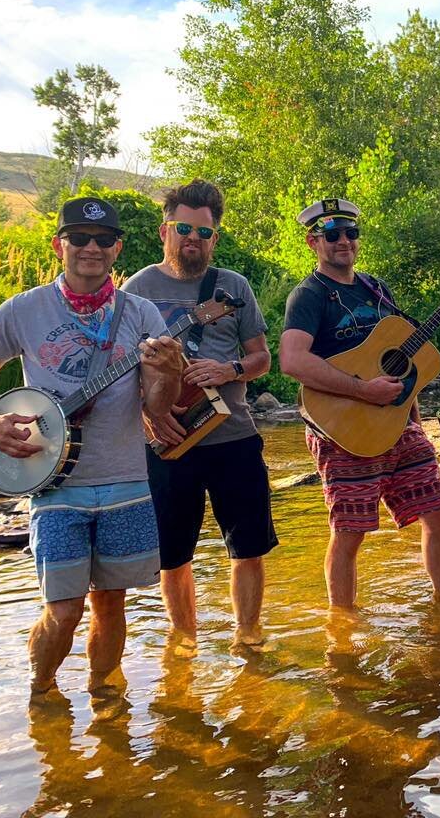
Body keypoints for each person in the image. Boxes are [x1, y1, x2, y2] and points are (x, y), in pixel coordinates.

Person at [0, 196, 182, 699]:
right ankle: (41, 689)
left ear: (117, 248)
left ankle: (104, 699)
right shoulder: (23, 310)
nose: (90, 248)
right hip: (53, 483)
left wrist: (168, 372)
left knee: (111, 602)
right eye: (78, 238)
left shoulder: (141, 314)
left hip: (126, 480)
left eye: (101, 240)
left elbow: (159, 407)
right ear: (59, 245)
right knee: (64, 608)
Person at [279, 198, 440, 610]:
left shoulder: (376, 289)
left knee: (439, 511)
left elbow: (398, 357)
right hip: (342, 427)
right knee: (350, 531)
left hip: (397, 421)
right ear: (313, 241)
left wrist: (412, 414)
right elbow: (292, 360)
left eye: (350, 233)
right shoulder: (308, 295)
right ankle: (343, 628)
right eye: (332, 234)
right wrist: (363, 391)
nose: (343, 241)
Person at [123, 180, 277, 650]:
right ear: (164, 231)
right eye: (183, 228)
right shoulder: (136, 289)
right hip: (167, 441)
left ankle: (248, 636)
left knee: (247, 546)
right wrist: (148, 417)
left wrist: (229, 367)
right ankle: (183, 642)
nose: (193, 238)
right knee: (173, 555)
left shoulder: (235, 287)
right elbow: (122, 370)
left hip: (233, 435)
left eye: (203, 232)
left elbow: (262, 358)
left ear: (215, 238)